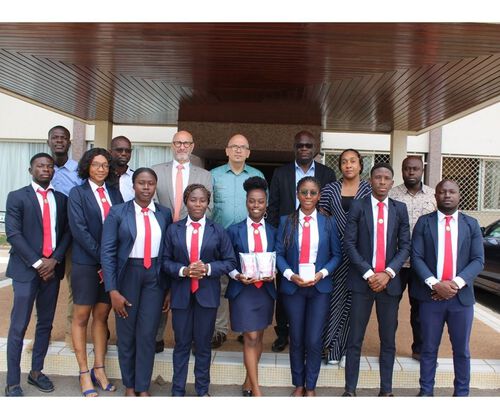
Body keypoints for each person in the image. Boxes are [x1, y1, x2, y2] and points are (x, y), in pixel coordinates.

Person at [4, 153, 71, 397]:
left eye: (49, 166)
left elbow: (67, 234)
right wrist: (37, 262)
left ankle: (36, 372)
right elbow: (13, 234)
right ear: (30, 169)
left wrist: (54, 261)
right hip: (25, 271)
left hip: (51, 272)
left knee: (45, 323)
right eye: (40, 166)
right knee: (19, 325)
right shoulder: (17, 197)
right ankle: (12, 381)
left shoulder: (62, 200)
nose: (45, 169)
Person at [101, 168, 172, 396]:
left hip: (154, 277)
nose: (146, 187)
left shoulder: (164, 213)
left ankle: (143, 387)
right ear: (133, 185)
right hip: (128, 275)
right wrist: (112, 290)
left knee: (147, 334)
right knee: (127, 332)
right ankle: (129, 386)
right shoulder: (118, 212)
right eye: (141, 183)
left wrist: (168, 288)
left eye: (150, 183)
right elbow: (108, 252)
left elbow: (168, 252)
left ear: (155, 186)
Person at [343, 163, 410, 397]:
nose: (382, 182)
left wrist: (388, 273)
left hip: (389, 285)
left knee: (388, 340)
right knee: (355, 339)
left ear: (392, 182)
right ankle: (350, 390)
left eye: (386, 178)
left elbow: (405, 246)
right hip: (362, 282)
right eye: (377, 177)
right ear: (370, 181)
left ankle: (386, 390)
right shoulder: (358, 206)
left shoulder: (400, 209)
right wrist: (370, 274)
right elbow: (349, 243)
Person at [411, 179, 484, 397]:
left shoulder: (471, 224)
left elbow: (478, 260)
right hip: (430, 297)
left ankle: (461, 394)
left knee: (461, 350)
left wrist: (455, 284)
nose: (447, 195)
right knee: (428, 349)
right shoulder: (424, 223)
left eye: (452, 191)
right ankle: (426, 393)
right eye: (442, 192)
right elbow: (416, 257)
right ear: (436, 196)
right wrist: (435, 283)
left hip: (460, 299)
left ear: (459, 195)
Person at [162, 184, 236, 397]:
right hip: (182, 295)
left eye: (202, 200)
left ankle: (202, 390)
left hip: (207, 295)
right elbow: (165, 261)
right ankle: (178, 390)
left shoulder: (218, 230)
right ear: (186, 201)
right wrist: (184, 270)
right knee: (182, 344)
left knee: (203, 345)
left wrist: (208, 268)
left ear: (208, 203)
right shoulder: (173, 229)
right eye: (193, 199)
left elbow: (229, 261)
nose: (197, 204)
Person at [268, 130, 337, 353]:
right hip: (288, 240)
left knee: (317, 295)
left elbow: (330, 207)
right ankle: (283, 334)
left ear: (315, 148)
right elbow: (274, 206)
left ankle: (315, 337)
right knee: (285, 289)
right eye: (300, 146)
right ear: (294, 148)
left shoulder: (327, 173)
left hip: (317, 237)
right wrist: (282, 238)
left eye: (308, 145)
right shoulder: (281, 173)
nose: (304, 149)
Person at [276, 176, 342, 397]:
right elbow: (279, 254)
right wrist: (290, 275)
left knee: (313, 339)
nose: (308, 197)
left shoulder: (328, 222)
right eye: (304, 192)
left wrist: (322, 274)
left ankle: (311, 385)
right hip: (293, 287)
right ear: (297, 194)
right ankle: (299, 384)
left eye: (313, 192)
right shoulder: (286, 221)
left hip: (319, 288)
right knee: (296, 337)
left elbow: (336, 255)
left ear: (319, 196)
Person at [68, 148, 123, 397]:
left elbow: (123, 224)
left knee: (102, 315)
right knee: (81, 316)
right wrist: (103, 256)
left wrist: (110, 259)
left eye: (105, 165)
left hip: (109, 265)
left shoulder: (115, 192)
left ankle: (99, 369)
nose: (101, 169)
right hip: (86, 264)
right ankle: (83, 372)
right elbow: (78, 230)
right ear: (87, 167)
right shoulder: (77, 193)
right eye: (96, 164)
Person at [152, 130, 213, 353]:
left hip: (193, 238)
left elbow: (210, 207)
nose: (182, 147)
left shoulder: (204, 175)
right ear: (172, 145)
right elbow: (154, 205)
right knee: (161, 285)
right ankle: (157, 336)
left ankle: (192, 339)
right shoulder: (157, 171)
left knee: (190, 286)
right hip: (163, 237)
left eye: (186, 143)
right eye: (178, 143)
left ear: (192, 146)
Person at [210, 134, 265, 349]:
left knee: (247, 283)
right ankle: (220, 329)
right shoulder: (214, 175)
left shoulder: (257, 175)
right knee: (221, 284)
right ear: (226, 150)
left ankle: (246, 328)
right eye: (234, 147)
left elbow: (262, 206)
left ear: (249, 152)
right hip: (221, 239)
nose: (238, 151)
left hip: (247, 238)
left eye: (243, 147)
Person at [319, 149, 372, 366]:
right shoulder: (330, 189)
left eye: (352, 161)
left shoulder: (370, 190)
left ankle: (348, 349)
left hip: (361, 255)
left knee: (356, 303)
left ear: (360, 164)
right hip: (335, 254)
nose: (348, 165)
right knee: (335, 300)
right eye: (344, 162)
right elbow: (322, 219)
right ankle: (332, 349)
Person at [226, 177, 276, 397]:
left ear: (266, 204)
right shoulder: (233, 230)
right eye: (252, 201)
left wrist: (274, 271)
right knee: (251, 337)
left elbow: (279, 258)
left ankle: (249, 379)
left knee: (260, 336)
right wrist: (237, 275)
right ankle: (256, 390)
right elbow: (226, 260)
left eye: (260, 201)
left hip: (265, 290)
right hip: (243, 290)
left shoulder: (274, 231)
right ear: (246, 202)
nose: (256, 205)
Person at [389, 156, 436, 361]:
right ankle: (387, 346)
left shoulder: (434, 196)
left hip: (422, 264)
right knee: (390, 308)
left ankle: (419, 348)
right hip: (396, 263)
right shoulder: (392, 194)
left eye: (415, 169)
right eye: (407, 168)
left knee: (420, 308)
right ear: (402, 170)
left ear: (422, 171)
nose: (411, 172)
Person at [45, 125, 83, 350]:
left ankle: (71, 335)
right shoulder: (43, 168)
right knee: (45, 286)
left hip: (71, 238)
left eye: (63, 138)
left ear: (69, 143)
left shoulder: (78, 171)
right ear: (48, 141)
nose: (59, 141)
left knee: (73, 287)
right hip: (46, 238)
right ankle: (44, 335)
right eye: (55, 138)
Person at [109, 135, 135, 202]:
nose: (124, 153)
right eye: (119, 150)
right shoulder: (102, 176)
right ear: (110, 152)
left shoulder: (136, 178)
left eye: (128, 151)